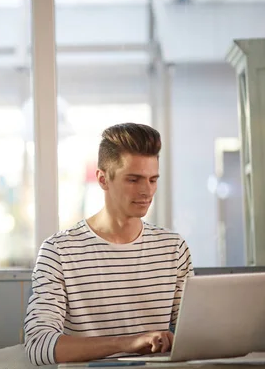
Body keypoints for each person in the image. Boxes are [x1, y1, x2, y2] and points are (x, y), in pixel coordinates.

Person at [24, 123, 194, 365]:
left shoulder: (173, 248)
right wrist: (129, 343)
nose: (147, 191)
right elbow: (38, 345)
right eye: (133, 180)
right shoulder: (59, 251)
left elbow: (195, 333)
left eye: (153, 179)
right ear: (103, 179)